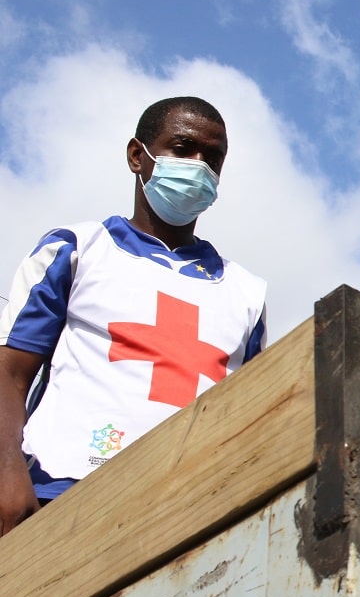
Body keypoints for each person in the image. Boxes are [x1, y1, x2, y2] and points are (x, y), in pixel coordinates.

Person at [0, 96, 267, 536]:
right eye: (182, 149)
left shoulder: (246, 293)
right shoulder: (76, 249)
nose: (199, 166)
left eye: (213, 158)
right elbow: (10, 373)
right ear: (137, 156)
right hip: (62, 495)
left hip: (187, 516)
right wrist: (7, 468)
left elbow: (246, 416)